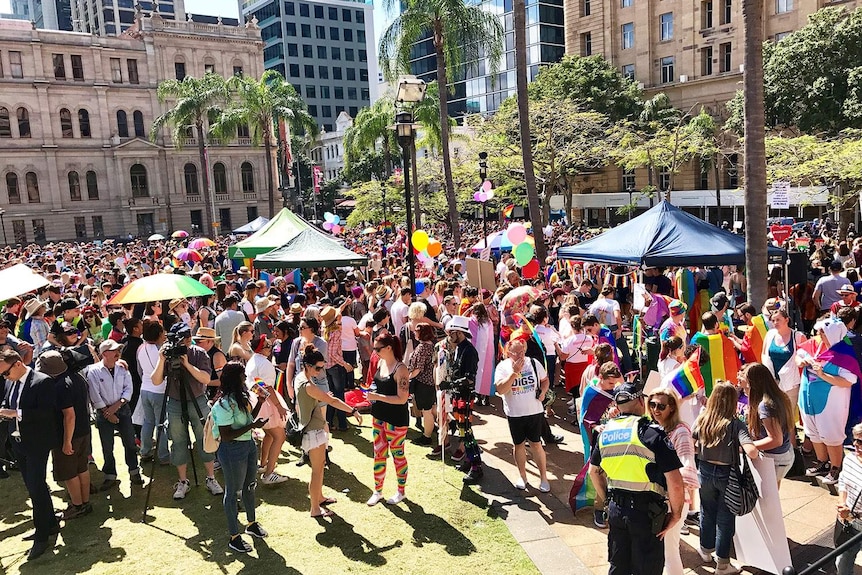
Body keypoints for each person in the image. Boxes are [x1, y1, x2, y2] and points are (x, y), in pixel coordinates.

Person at [589, 381, 684, 575]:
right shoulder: (652, 433)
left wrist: (607, 499)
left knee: (618, 566)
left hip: (616, 509)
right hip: (646, 514)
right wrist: (676, 514)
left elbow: (593, 471)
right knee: (647, 569)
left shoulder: (605, 433)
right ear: (642, 401)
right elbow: (675, 482)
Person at [150, 322, 224, 500]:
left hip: (197, 400)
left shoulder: (199, 353)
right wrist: (161, 360)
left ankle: (211, 478)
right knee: (178, 440)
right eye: (183, 340)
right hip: (175, 402)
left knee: (204, 438)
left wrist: (187, 365)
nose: (187, 343)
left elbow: (205, 378)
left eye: (188, 339)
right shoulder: (167, 355)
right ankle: (183, 481)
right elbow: (155, 381)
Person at [693, 382, 760, 574]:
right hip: (727, 475)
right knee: (725, 517)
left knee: (706, 510)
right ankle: (723, 564)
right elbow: (752, 451)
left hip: (704, 471)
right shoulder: (735, 424)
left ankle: (705, 549)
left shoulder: (703, 419)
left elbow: (691, 441)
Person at [0, 349, 61, 560]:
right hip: (18, 442)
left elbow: (47, 413)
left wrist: (16, 413)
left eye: (5, 373)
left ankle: (42, 535)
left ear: (17, 364)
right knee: (34, 486)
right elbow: (9, 403)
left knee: (35, 487)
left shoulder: (42, 382)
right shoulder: (10, 381)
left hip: (36, 443)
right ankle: (51, 523)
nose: (4, 377)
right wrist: (5, 411)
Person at [294, 344, 363, 517]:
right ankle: (315, 509)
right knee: (317, 471)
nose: (320, 371)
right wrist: (353, 410)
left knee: (320, 469)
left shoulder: (301, 379)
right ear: (308, 366)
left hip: (313, 429)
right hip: (313, 431)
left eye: (322, 368)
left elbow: (322, 399)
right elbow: (331, 401)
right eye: (317, 368)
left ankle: (320, 498)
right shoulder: (308, 385)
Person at [210, 361, 270, 553]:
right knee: (232, 492)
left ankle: (251, 524)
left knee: (250, 486)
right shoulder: (223, 405)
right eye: (242, 375)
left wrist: (259, 404)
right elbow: (226, 435)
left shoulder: (240, 397)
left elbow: (247, 419)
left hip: (248, 446)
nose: (245, 378)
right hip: (232, 450)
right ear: (235, 379)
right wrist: (253, 427)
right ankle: (234, 537)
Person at [796, 318, 861, 485]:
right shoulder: (815, 345)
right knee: (813, 433)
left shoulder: (843, 353)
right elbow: (799, 354)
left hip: (831, 403)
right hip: (809, 399)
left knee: (832, 435)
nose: (819, 335)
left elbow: (849, 380)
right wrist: (801, 361)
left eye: (823, 332)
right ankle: (823, 462)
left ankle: (836, 467)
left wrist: (823, 374)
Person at [646, 387, 699, 575]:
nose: (655, 409)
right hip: (657, 498)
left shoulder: (680, 432)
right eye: (652, 404)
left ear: (672, 408)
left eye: (661, 406)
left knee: (670, 549)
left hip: (674, 500)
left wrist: (675, 501)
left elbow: (687, 468)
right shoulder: (652, 429)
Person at [494, 336, 551, 492]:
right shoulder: (502, 367)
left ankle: (544, 478)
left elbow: (545, 380)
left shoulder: (533, 363)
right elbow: (500, 390)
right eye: (515, 352)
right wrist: (514, 374)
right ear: (508, 352)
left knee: (536, 444)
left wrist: (544, 392)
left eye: (522, 351)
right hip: (515, 413)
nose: (520, 355)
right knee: (518, 445)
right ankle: (522, 476)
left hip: (535, 411)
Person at [434, 315, 484, 483]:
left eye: (451, 332)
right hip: (457, 394)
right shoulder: (458, 349)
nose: (449, 335)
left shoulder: (469, 351)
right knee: (463, 430)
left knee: (466, 431)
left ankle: (476, 466)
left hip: (465, 395)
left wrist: (450, 384)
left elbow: (469, 378)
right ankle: (470, 460)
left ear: (459, 333)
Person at [87, 339, 142, 491]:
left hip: (122, 410)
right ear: (104, 354)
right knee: (107, 445)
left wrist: (116, 406)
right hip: (103, 412)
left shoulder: (122, 368)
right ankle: (110, 475)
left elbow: (128, 388)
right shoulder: (94, 371)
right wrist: (107, 411)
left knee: (130, 443)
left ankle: (134, 471)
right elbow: (94, 394)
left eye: (119, 350)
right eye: (114, 351)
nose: (118, 353)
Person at [366, 332, 411, 506]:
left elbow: (402, 398)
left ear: (389, 348)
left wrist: (378, 396)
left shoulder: (401, 369)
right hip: (378, 417)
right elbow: (378, 384)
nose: (375, 352)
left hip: (396, 420)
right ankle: (377, 490)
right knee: (379, 454)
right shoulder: (381, 362)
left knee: (397, 454)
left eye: (378, 348)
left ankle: (401, 491)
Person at [738, 363, 796, 486]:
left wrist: (747, 446)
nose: (745, 388)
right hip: (782, 456)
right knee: (772, 497)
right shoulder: (778, 396)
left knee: (767, 500)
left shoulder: (765, 405)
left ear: (754, 383)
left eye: (747, 384)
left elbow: (775, 439)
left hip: (774, 459)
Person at [245, 335, 288, 484]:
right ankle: (269, 474)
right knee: (279, 436)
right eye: (268, 346)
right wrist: (279, 407)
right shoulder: (265, 363)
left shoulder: (252, 360)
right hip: (265, 401)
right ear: (261, 349)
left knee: (269, 435)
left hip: (256, 400)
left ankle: (263, 465)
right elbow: (267, 387)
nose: (271, 349)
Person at [136, 320, 170, 465]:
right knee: (161, 423)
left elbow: (140, 370)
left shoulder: (140, 348)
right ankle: (163, 456)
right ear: (158, 334)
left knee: (148, 422)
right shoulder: (161, 351)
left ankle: (145, 452)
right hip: (159, 391)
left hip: (145, 389)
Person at [761, 307, 806, 409]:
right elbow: (764, 355)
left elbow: (805, 357)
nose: (775, 323)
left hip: (791, 384)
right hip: (773, 381)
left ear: (786, 320)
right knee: (774, 414)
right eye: (773, 320)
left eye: (778, 320)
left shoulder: (798, 336)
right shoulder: (769, 335)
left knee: (788, 415)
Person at [835, 422, 862, 575]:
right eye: (855, 440)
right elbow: (843, 482)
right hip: (850, 524)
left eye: (861, 441)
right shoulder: (850, 459)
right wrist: (842, 503)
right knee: (842, 563)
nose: (856, 445)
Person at [408, 323, 437, 446]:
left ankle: (427, 436)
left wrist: (408, 377)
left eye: (417, 331)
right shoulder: (432, 346)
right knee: (432, 408)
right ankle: (448, 424)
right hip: (431, 382)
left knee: (426, 411)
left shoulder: (422, 348)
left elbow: (418, 368)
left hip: (423, 383)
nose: (414, 332)